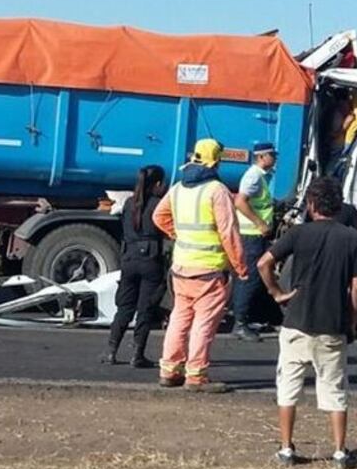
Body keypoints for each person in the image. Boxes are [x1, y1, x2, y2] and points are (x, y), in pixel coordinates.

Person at [257, 177, 357, 469]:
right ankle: (340, 451)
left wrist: (277, 293)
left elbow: (263, 263)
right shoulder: (351, 238)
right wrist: (352, 322)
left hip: (297, 319)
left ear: (311, 204)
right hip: (332, 322)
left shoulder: (298, 233)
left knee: (288, 386)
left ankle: (285, 448)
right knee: (334, 388)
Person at [152, 138, 247, 392]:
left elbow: (158, 216)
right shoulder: (217, 191)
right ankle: (196, 376)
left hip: (181, 266)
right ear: (216, 161)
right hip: (210, 270)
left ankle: (169, 370)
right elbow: (228, 232)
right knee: (203, 322)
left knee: (180, 318)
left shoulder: (178, 188)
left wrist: (178, 234)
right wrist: (240, 266)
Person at [100, 165, 169, 368]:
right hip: (151, 259)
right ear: (157, 184)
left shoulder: (130, 203)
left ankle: (111, 351)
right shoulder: (160, 205)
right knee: (145, 309)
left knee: (124, 307)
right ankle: (137, 354)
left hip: (129, 258)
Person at [232, 141, 278, 343]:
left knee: (254, 277)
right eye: (271, 155)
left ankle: (245, 319)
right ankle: (240, 324)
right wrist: (260, 223)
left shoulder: (261, 177)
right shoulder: (254, 176)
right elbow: (240, 201)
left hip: (254, 235)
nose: (274, 158)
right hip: (251, 235)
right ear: (261, 157)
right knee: (249, 278)